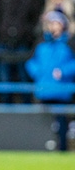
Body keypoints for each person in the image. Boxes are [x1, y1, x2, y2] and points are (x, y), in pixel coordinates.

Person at [25, 10, 75, 152]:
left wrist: (64, 72)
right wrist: (38, 73)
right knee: (43, 122)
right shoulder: (40, 42)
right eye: (51, 23)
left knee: (62, 123)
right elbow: (30, 62)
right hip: (44, 90)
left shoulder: (70, 42)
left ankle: (62, 148)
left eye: (57, 23)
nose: (54, 26)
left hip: (62, 90)